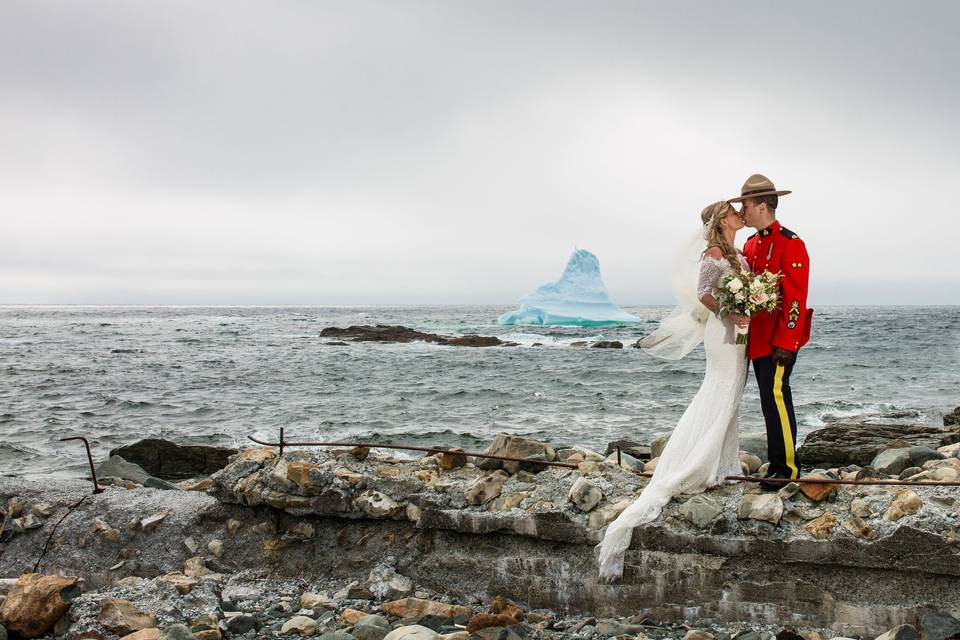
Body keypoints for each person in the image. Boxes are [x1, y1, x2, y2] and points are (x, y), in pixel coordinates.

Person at [596, 200, 751, 581]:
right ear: (722, 220)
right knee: (719, 389)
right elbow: (704, 293)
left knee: (733, 394)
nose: (740, 214)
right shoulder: (714, 253)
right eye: (735, 211)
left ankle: (722, 463)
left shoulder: (740, 254)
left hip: (741, 333)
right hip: (724, 332)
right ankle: (695, 462)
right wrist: (731, 313)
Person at [730, 174, 812, 491]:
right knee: (768, 400)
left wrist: (787, 341)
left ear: (762, 205)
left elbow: (795, 298)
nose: (743, 211)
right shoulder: (751, 244)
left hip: (779, 340)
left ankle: (787, 468)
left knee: (777, 397)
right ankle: (779, 464)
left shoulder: (791, 244)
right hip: (757, 339)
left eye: (746, 205)